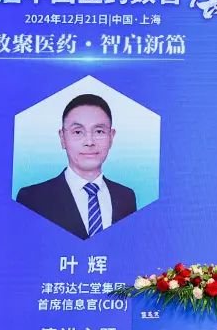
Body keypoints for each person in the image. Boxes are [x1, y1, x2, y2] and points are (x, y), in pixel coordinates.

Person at [16, 93, 137, 240]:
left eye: (99, 131)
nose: (89, 142)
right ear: (62, 138)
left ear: (111, 137)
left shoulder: (126, 197)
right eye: (78, 132)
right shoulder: (32, 198)